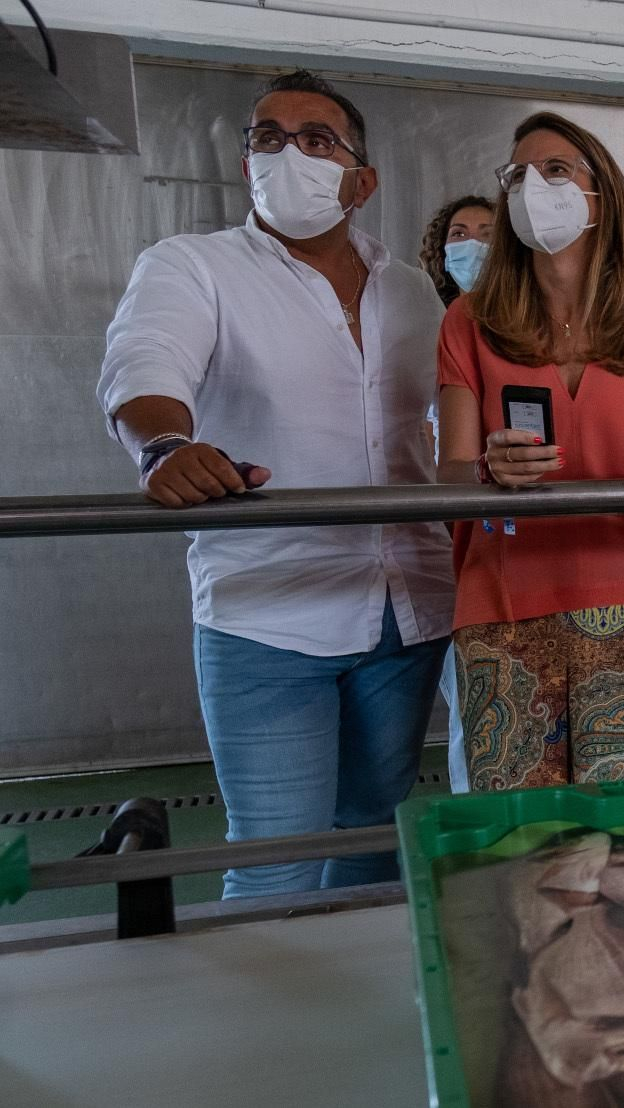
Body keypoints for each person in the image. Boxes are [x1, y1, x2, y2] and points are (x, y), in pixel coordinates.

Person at [96, 70, 454, 898]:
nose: (288, 153)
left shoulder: (407, 290)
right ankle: (264, 1024)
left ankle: (362, 1019)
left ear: (361, 180)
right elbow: (144, 364)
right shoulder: (193, 266)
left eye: (317, 139)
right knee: (275, 857)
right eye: (268, 137)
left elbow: (449, 417)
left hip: (407, 607)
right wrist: (164, 445)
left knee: (374, 833)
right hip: (270, 609)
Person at [436, 111, 624, 790]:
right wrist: (486, 468)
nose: (533, 185)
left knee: (623, 824)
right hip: (503, 600)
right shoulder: (470, 323)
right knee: (516, 830)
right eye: (517, 173)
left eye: (555, 170)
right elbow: (448, 478)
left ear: (599, 194)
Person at [418, 194, 495, 794]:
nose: (472, 245)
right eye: (459, 235)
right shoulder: (432, 326)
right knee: (469, 704)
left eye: (486, 232)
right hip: (436, 539)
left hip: (498, 540)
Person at [419, 194, 495, 304]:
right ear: (443, 251)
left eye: (487, 234)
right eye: (459, 234)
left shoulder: (525, 316)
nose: (472, 243)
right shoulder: (431, 317)